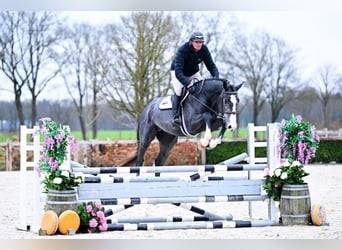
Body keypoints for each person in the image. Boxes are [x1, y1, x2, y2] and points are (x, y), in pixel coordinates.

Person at [170, 31, 219, 126]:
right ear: (191, 42)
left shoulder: (204, 50)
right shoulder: (182, 50)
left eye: (201, 42)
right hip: (178, 72)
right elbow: (178, 72)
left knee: (203, 88)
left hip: (193, 72)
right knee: (179, 90)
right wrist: (187, 84)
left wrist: (216, 78)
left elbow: (211, 66)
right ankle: (175, 116)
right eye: (197, 42)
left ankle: (209, 111)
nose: (199, 44)